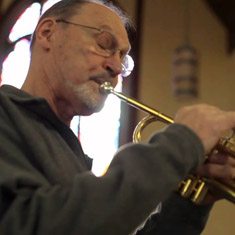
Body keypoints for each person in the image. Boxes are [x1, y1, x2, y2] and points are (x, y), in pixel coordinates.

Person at [0, 0, 234, 234]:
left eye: (123, 58)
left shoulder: (71, 151)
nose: (117, 67)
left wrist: (189, 205)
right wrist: (180, 144)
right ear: (47, 33)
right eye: (104, 43)